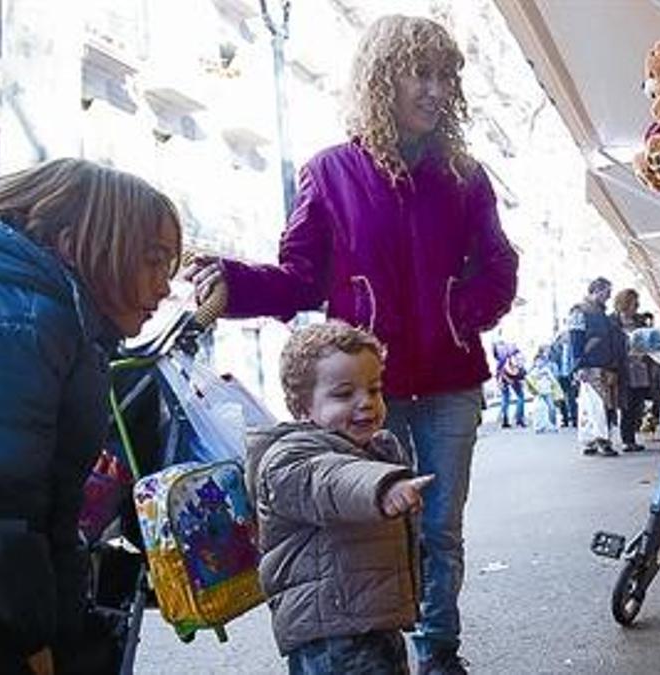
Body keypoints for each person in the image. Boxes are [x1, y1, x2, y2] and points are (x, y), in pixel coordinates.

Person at [186, 15, 518, 673]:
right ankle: (378, 644)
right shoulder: (330, 172)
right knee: (374, 521)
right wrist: (231, 280)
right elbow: (299, 277)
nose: (436, 89)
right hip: (367, 385)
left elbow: (500, 264)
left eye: (446, 75)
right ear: (382, 78)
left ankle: (440, 650)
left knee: (440, 527)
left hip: (451, 380)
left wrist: (462, 311)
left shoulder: (466, 175)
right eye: (420, 73)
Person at [0, 158, 180, 674]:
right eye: (152, 260)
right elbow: (7, 504)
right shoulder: (26, 319)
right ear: (79, 243)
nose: (165, 287)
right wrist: (31, 639)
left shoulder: (61, 319)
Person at [247, 321, 433, 674]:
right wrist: (384, 488)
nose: (366, 403)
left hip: (372, 619)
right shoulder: (289, 458)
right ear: (302, 408)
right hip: (330, 634)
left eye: (374, 389)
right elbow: (332, 480)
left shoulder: (375, 448)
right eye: (344, 394)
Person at [568, 277, 621, 456]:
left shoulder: (597, 312)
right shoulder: (581, 311)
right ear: (596, 290)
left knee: (591, 405)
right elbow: (575, 338)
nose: (609, 296)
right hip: (591, 364)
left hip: (598, 363)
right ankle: (601, 440)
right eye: (607, 292)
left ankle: (590, 440)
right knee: (598, 404)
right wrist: (579, 365)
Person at [612, 289, 650, 453]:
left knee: (637, 404)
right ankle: (627, 440)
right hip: (623, 369)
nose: (637, 305)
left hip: (640, 368)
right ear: (625, 303)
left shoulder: (639, 321)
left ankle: (632, 437)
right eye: (634, 302)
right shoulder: (613, 322)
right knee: (626, 406)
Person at [525, 346, 562, 433]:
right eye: (537, 361)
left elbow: (553, 380)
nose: (539, 363)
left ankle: (553, 425)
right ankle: (539, 426)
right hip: (538, 393)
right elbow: (528, 380)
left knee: (551, 408)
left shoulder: (547, 370)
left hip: (548, 391)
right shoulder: (533, 371)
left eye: (541, 361)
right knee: (538, 410)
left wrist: (548, 376)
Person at [548, 329, 577, 427]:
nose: (567, 338)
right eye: (565, 336)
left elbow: (574, 360)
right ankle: (565, 419)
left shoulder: (571, 347)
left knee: (572, 398)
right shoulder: (554, 348)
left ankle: (574, 419)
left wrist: (574, 373)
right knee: (561, 398)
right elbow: (551, 362)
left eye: (567, 336)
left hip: (569, 375)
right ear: (560, 338)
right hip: (559, 376)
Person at [496, 347, 526, 428]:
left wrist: (498, 381)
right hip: (514, 379)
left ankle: (504, 421)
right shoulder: (519, 359)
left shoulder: (504, 359)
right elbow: (521, 372)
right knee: (521, 397)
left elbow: (498, 371)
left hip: (504, 380)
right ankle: (519, 419)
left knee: (505, 399)